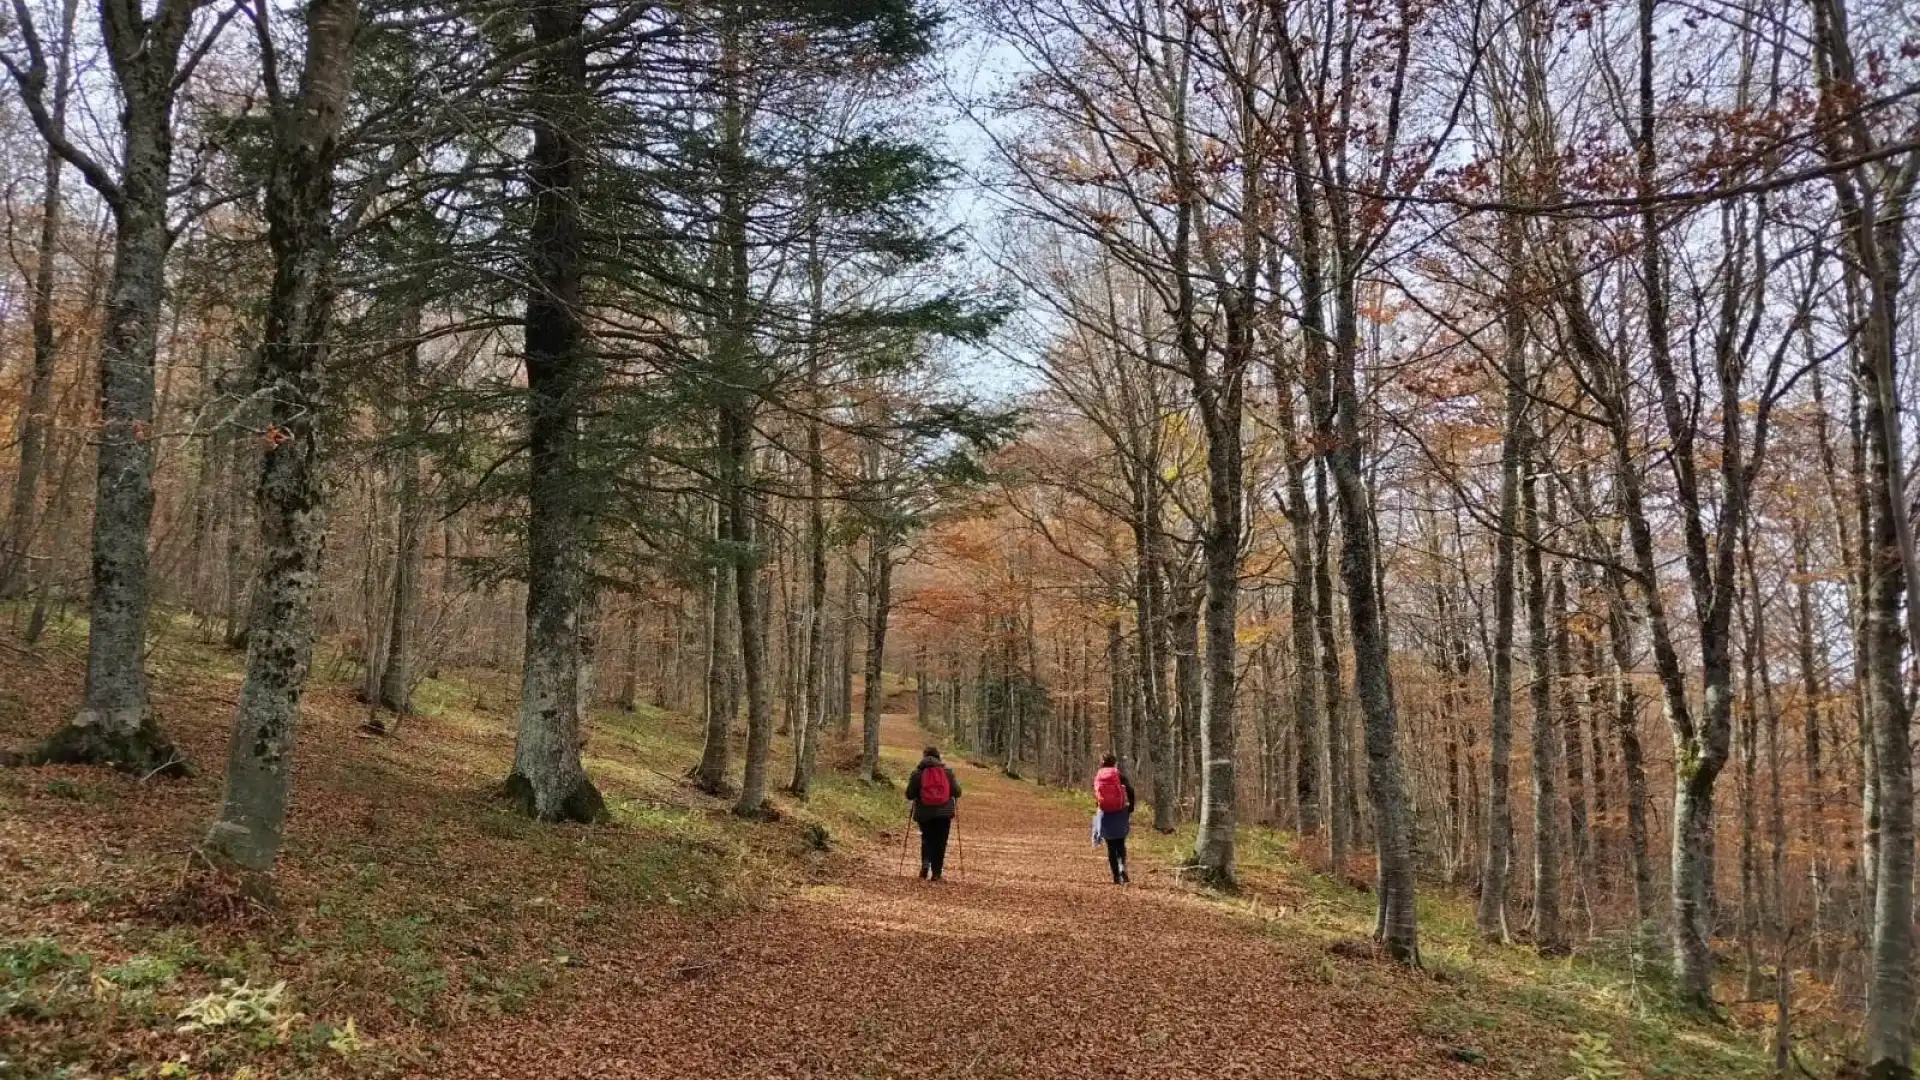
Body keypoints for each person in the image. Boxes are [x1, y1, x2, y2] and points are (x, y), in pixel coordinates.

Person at [905, 747, 961, 881]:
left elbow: (909, 794)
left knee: (927, 838)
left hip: (924, 812)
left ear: (924, 757)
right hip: (944, 812)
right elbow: (957, 792)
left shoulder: (917, 774)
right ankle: (937, 873)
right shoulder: (947, 773)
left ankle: (925, 864)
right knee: (941, 842)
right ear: (939, 757)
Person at [1093, 753, 1135, 884]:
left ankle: (1116, 875)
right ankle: (1122, 869)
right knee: (1121, 844)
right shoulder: (1119, 775)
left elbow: (1096, 794)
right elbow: (1130, 790)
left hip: (1105, 812)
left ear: (1102, 763)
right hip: (1120, 811)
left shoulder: (1099, 776)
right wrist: (1131, 806)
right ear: (1114, 763)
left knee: (1111, 846)